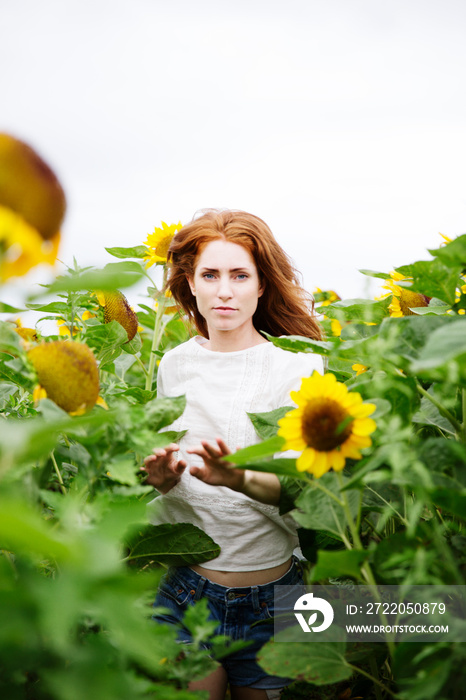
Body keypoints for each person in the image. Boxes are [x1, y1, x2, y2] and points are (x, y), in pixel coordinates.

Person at [142, 209, 323, 700]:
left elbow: (304, 489)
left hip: (274, 600)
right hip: (187, 592)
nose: (225, 290)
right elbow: (174, 477)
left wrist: (238, 477)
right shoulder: (174, 367)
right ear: (192, 285)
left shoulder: (299, 367)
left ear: (262, 286)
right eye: (211, 275)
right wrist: (162, 480)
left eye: (240, 275)